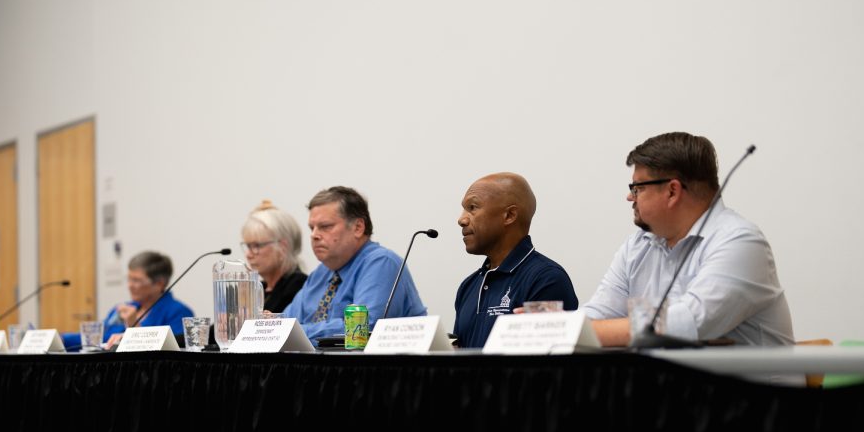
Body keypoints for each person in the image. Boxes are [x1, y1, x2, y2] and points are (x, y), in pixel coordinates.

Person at [583, 131, 794, 347]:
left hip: (743, 380)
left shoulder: (741, 242)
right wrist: (563, 329)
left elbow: (688, 323)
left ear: (672, 191)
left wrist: (582, 331)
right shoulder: (637, 246)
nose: (630, 197)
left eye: (638, 188)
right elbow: (597, 315)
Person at [281, 186, 426, 342]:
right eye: (312, 228)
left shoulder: (382, 263)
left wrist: (297, 331)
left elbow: (361, 330)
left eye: (325, 227)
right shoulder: (321, 273)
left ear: (358, 228)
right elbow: (285, 325)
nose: (314, 235)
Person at [453, 173, 578, 348]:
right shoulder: (469, 286)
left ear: (509, 215)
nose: (461, 219)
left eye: (472, 207)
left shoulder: (546, 280)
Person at [101, 251, 193, 347]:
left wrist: (134, 329)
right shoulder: (122, 309)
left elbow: (173, 351)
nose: (130, 285)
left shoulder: (179, 313)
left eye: (136, 280)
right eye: (129, 279)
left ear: (159, 284)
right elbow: (97, 339)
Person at [241, 200, 307, 313]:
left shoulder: (298, 286)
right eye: (248, 246)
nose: (248, 254)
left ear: (283, 247)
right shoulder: (260, 288)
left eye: (256, 246)